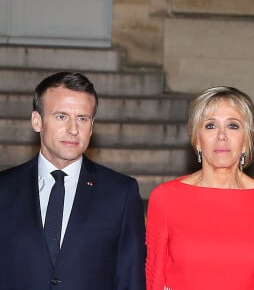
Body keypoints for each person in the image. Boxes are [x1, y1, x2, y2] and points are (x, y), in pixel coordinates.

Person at [0, 71, 146, 290]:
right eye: (61, 116)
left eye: (82, 118)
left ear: (92, 126)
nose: (73, 130)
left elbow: (130, 279)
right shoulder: (4, 189)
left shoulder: (120, 193)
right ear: (37, 121)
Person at [146, 86, 254, 290]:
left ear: (246, 142)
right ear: (197, 140)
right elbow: (153, 277)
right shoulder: (165, 198)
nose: (221, 135)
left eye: (233, 126)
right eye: (210, 126)